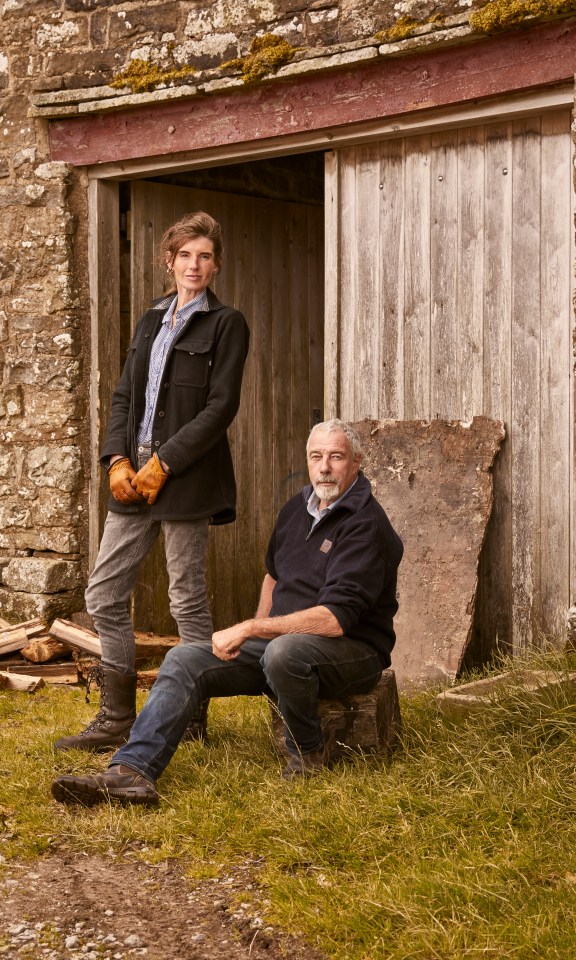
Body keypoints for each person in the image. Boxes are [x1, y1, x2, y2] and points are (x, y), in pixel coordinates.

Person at [52, 418, 404, 807]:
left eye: (336, 457)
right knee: (185, 658)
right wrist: (260, 631)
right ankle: (130, 772)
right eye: (316, 456)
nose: (324, 467)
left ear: (357, 461)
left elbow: (337, 619)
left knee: (284, 654)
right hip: (283, 646)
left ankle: (307, 754)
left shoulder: (366, 524)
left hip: (353, 652)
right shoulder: (297, 508)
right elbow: (274, 576)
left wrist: (252, 627)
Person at [53, 211, 250, 752]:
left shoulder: (226, 323)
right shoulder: (149, 320)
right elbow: (123, 395)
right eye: (186, 254)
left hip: (183, 479)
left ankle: (188, 717)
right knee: (104, 594)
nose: (195, 264)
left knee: (187, 600)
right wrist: (115, 460)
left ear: (216, 264)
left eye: (205, 256)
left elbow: (220, 407)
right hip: (132, 482)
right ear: (170, 260)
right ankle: (116, 717)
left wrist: (166, 462)